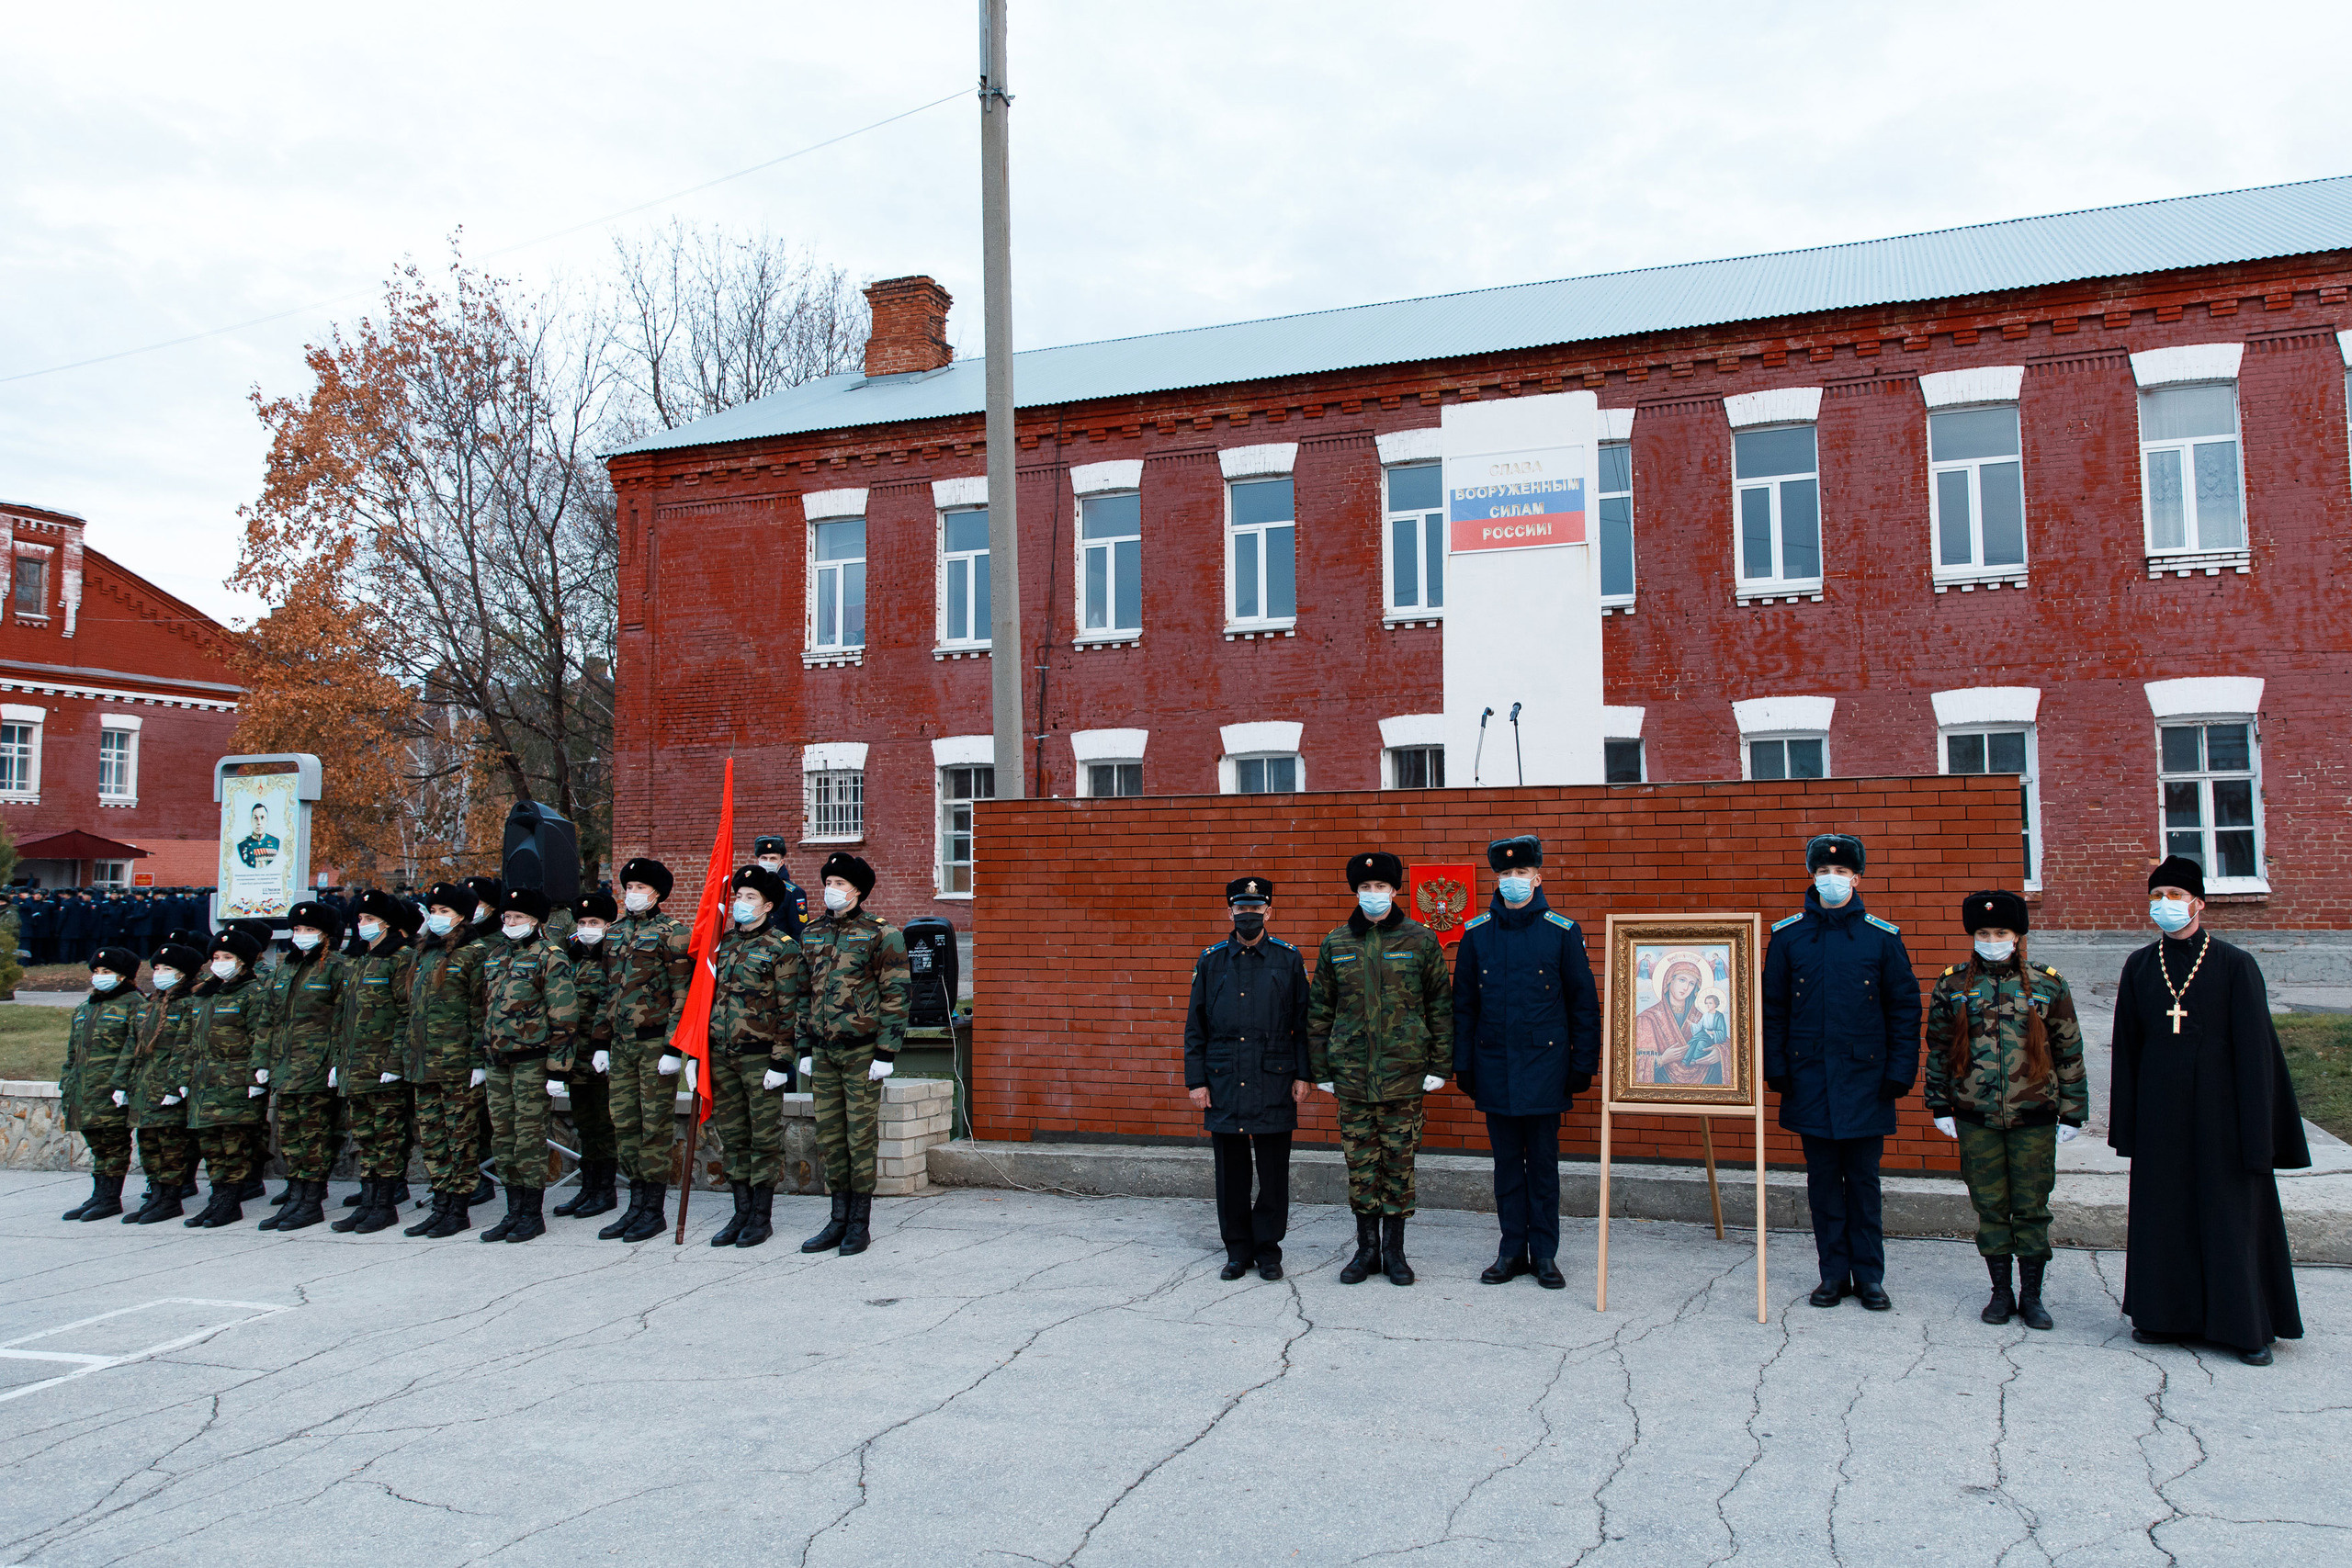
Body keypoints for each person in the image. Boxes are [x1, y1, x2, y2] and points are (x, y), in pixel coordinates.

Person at [2110, 856, 2307, 1366]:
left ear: (2199, 902)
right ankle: (2161, 1316)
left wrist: (2258, 1131)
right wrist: (2127, 1125)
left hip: (2223, 1114)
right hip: (2160, 1114)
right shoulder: (2138, 965)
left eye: (2174, 895)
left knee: (2228, 1213)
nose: (2164, 905)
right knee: (2164, 1211)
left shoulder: (2234, 964)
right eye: (2157, 896)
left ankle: (2245, 1326)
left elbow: (2256, 1052)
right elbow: (2127, 1048)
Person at [1762, 833, 1922, 1312]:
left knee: (1865, 1184)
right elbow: (1772, 1010)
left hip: (1867, 1082)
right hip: (1810, 1080)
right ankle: (1832, 1275)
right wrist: (1777, 1067)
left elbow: (1905, 1010)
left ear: (1857, 877)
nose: (1831, 880)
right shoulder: (1789, 936)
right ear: (1812, 877)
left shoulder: (1882, 937)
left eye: (1841, 873)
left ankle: (1870, 1277)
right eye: (1822, 873)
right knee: (1824, 1185)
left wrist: (1900, 1072)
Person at [1923, 890, 2086, 1330]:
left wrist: (2073, 1111)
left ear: (2017, 936)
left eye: (2001, 932)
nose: (1991, 939)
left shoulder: (2047, 983)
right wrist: (1938, 1103)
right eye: (1983, 932)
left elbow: (2069, 1050)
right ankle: (2001, 1293)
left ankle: (2032, 1296)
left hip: (2034, 1116)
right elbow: (1937, 1048)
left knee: (2032, 1207)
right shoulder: (1953, 984)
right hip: (1975, 1116)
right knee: (1991, 1206)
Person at [1452, 835, 1601, 1290]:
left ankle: (1546, 1254)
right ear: (1496, 880)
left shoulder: (1560, 931)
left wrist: (1583, 1065)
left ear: (1538, 877)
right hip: (1494, 1067)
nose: (1513, 882)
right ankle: (1510, 1250)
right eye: (1505, 875)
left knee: (1542, 1166)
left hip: (1545, 1070)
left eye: (1521, 874)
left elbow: (1583, 1005)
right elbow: (1463, 1007)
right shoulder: (1477, 933)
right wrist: (1465, 1066)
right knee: (1504, 1166)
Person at [1308, 851, 1453, 1287]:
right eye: (1365, 888)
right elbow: (1319, 1010)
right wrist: (1322, 1070)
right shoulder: (1336, 943)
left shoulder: (1421, 941)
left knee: (1399, 1164)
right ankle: (1366, 1249)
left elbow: (1440, 1008)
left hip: (1404, 1076)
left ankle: (1395, 1252)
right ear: (1356, 891)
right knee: (1361, 1165)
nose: (1373, 895)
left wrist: (1440, 1065)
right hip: (1351, 1078)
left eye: (1381, 887)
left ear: (1395, 890)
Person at [1183, 874, 1309, 1281]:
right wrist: (1196, 1081)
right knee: (1231, 1174)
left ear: (1269, 911)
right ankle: (1237, 1250)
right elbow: (1195, 1026)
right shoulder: (1211, 960)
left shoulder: (1288, 959)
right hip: (1224, 1080)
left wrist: (1304, 1075)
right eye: (1242, 909)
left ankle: (1268, 1251)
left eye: (1256, 909)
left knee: (1273, 1174)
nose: (1249, 915)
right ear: (1230, 911)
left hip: (1274, 1078)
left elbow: (1304, 1025)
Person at [796, 852, 910, 1257]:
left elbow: (896, 996)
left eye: (840, 884)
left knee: (859, 1138)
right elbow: (802, 995)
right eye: (829, 882)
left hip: (862, 1053)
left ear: (858, 891)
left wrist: (886, 1052)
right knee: (830, 1137)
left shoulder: (882, 934)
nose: (832, 890)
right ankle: (836, 1220)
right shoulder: (811, 934)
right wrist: (804, 1047)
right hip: (824, 1053)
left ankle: (858, 1225)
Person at [704, 865, 808, 1247]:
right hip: (721, 1055)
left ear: (767, 905)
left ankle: (760, 1218)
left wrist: (782, 1061)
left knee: (763, 1138)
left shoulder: (783, 947)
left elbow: (789, 1008)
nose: (740, 904)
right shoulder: (724, 945)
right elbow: (708, 1002)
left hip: (760, 1058)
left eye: (749, 898)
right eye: (738, 897)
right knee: (733, 1137)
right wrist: (699, 1055)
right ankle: (740, 1213)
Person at [600, 858, 693, 1244]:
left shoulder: (673, 934)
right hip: (621, 1045)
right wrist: (599, 1041)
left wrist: (674, 1047)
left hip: (655, 1044)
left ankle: (652, 1210)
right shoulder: (614, 933)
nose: (633, 894)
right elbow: (608, 991)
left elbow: (681, 994)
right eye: (629, 887)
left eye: (640, 888)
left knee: (654, 1127)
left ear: (657, 893)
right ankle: (634, 1205)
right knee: (625, 1125)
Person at [476, 889, 577, 1243]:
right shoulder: (496, 956)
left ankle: (532, 1214)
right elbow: (484, 1009)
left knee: (528, 1138)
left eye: (517, 917)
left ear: (535, 920)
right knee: (502, 1137)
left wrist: (557, 1069)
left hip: (530, 1062)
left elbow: (564, 1015)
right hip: (497, 1061)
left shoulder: (550, 956)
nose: (510, 923)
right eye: (507, 917)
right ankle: (512, 1210)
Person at [402, 883, 490, 1238]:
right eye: (433, 911)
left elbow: (479, 1012)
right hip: (424, 1064)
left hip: (457, 1066)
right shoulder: (425, 952)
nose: (436, 918)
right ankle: (440, 1203)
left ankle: (458, 1209)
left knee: (460, 1138)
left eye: (444, 912)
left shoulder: (476, 953)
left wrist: (477, 1062)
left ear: (462, 917)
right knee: (433, 1139)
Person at [257, 900, 350, 1233]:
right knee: (291, 1137)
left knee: (314, 1137)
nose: (302, 935)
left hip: (316, 1066)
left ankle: (310, 1201)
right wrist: (262, 1063)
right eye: (297, 929)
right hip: (285, 1067)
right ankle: (295, 1195)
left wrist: (337, 1063)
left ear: (326, 934)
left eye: (310, 930)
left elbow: (343, 1021)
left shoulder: (337, 967)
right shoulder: (286, 969)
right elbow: (268, 1018)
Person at [331, 891, 418, 1234]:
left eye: (369, 919)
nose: (362, 925)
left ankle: (385, 1204)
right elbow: (343, 1017)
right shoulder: (356, 960)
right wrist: (339, 1062)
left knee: (388, 1136)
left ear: (387, 922)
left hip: (384, 1066)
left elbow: (405, 1013)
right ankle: (367, 1201)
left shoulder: (401, 958)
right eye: (360, 919)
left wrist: (394, 1062)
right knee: (366, 1137)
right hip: (356, 1065)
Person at [183, 930, 271, 1228]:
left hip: (236, 1084)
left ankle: (229, 1204)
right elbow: (191, 1042)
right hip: (204, 1083)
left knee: (233, 1148)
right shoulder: (206, 996)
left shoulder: (253, 995)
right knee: (211, 1147)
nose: (219, 963)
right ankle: (216, 1199)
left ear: (243, 962)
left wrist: (256, 1079)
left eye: (227, 957)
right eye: (216, 958)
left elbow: (261, 1038)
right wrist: (185, 1077)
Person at [119, 940, 204, 1224]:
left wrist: (176, 1086)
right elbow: (132, 1046)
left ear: (183, 973)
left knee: (171, 1147)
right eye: (157, 967)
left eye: (167, 968)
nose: (160, 973)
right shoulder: (150, 1003)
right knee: (148, 1144)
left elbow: (187, 1048)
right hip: (144, 1087)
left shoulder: (191, 1004)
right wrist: (121, 1083)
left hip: (169, 1089)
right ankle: (155, 1196)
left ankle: (170, 1199)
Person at [58, 945, 145, 1222]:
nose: (99, 976)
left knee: (114, 1142)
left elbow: (135, 1048)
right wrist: (66, 1081)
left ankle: (110, 1198)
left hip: (112, 1088)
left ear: (123, 976)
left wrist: (122, 1084)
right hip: (84, 1088)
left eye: (106, 972)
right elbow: (73, 1051)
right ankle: (98, 1194)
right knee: (97, 1143)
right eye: (96, 971)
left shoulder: (135, 1004)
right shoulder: (85, 1007)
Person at [551, 891, 622, 1220]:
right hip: (575, 1054)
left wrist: (602, 1045)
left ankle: (604, 1190)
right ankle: (587, 1188)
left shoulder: (614, 957)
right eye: (582, 922)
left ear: (609, 924)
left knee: (602, 1124)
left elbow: (611, 1006)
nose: (586, 928)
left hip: (601, 1054)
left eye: (594, 922)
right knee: (584, 1123)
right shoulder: (570, 956)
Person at [752, 835, 809, 941]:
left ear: (781, 862)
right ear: (758, 861)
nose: (768, 862)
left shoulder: (793, 892)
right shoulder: (751, 889)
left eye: (773, 859)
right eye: (764, 858)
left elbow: (799, 931)